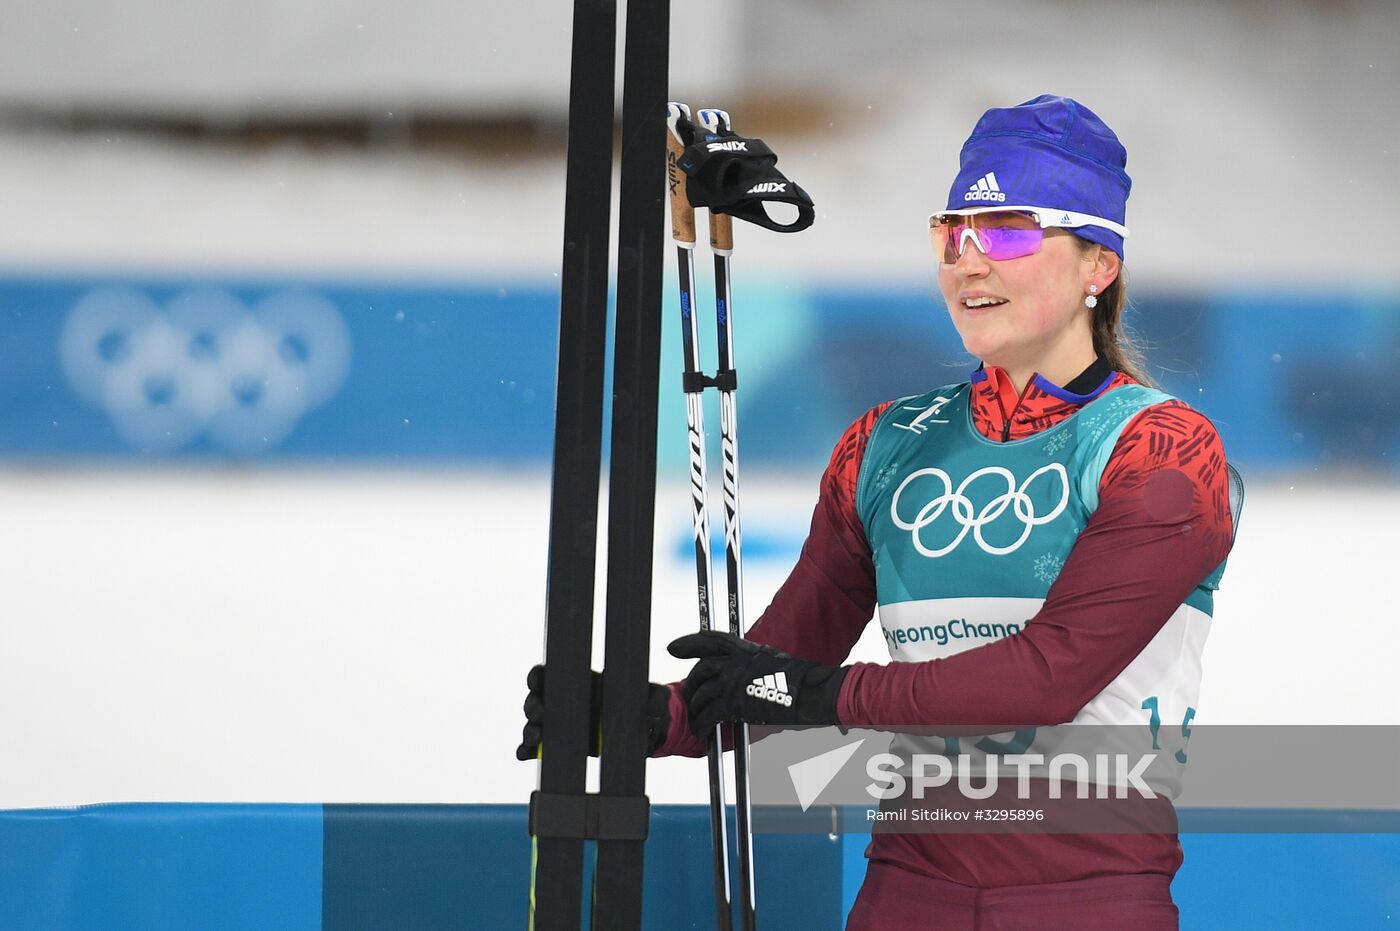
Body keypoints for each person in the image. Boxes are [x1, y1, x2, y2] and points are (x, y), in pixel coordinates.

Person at [522, 94, 1240, 930]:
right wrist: (661, 715)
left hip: (1086, 898)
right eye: (951, 235)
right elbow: (785, 658)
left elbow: (1050, 676)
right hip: (908, 892)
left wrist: (819, 693)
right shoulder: (887, 443)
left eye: (1006, 233)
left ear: (1098, 265)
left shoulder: (1163, 450)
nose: (970, 262)